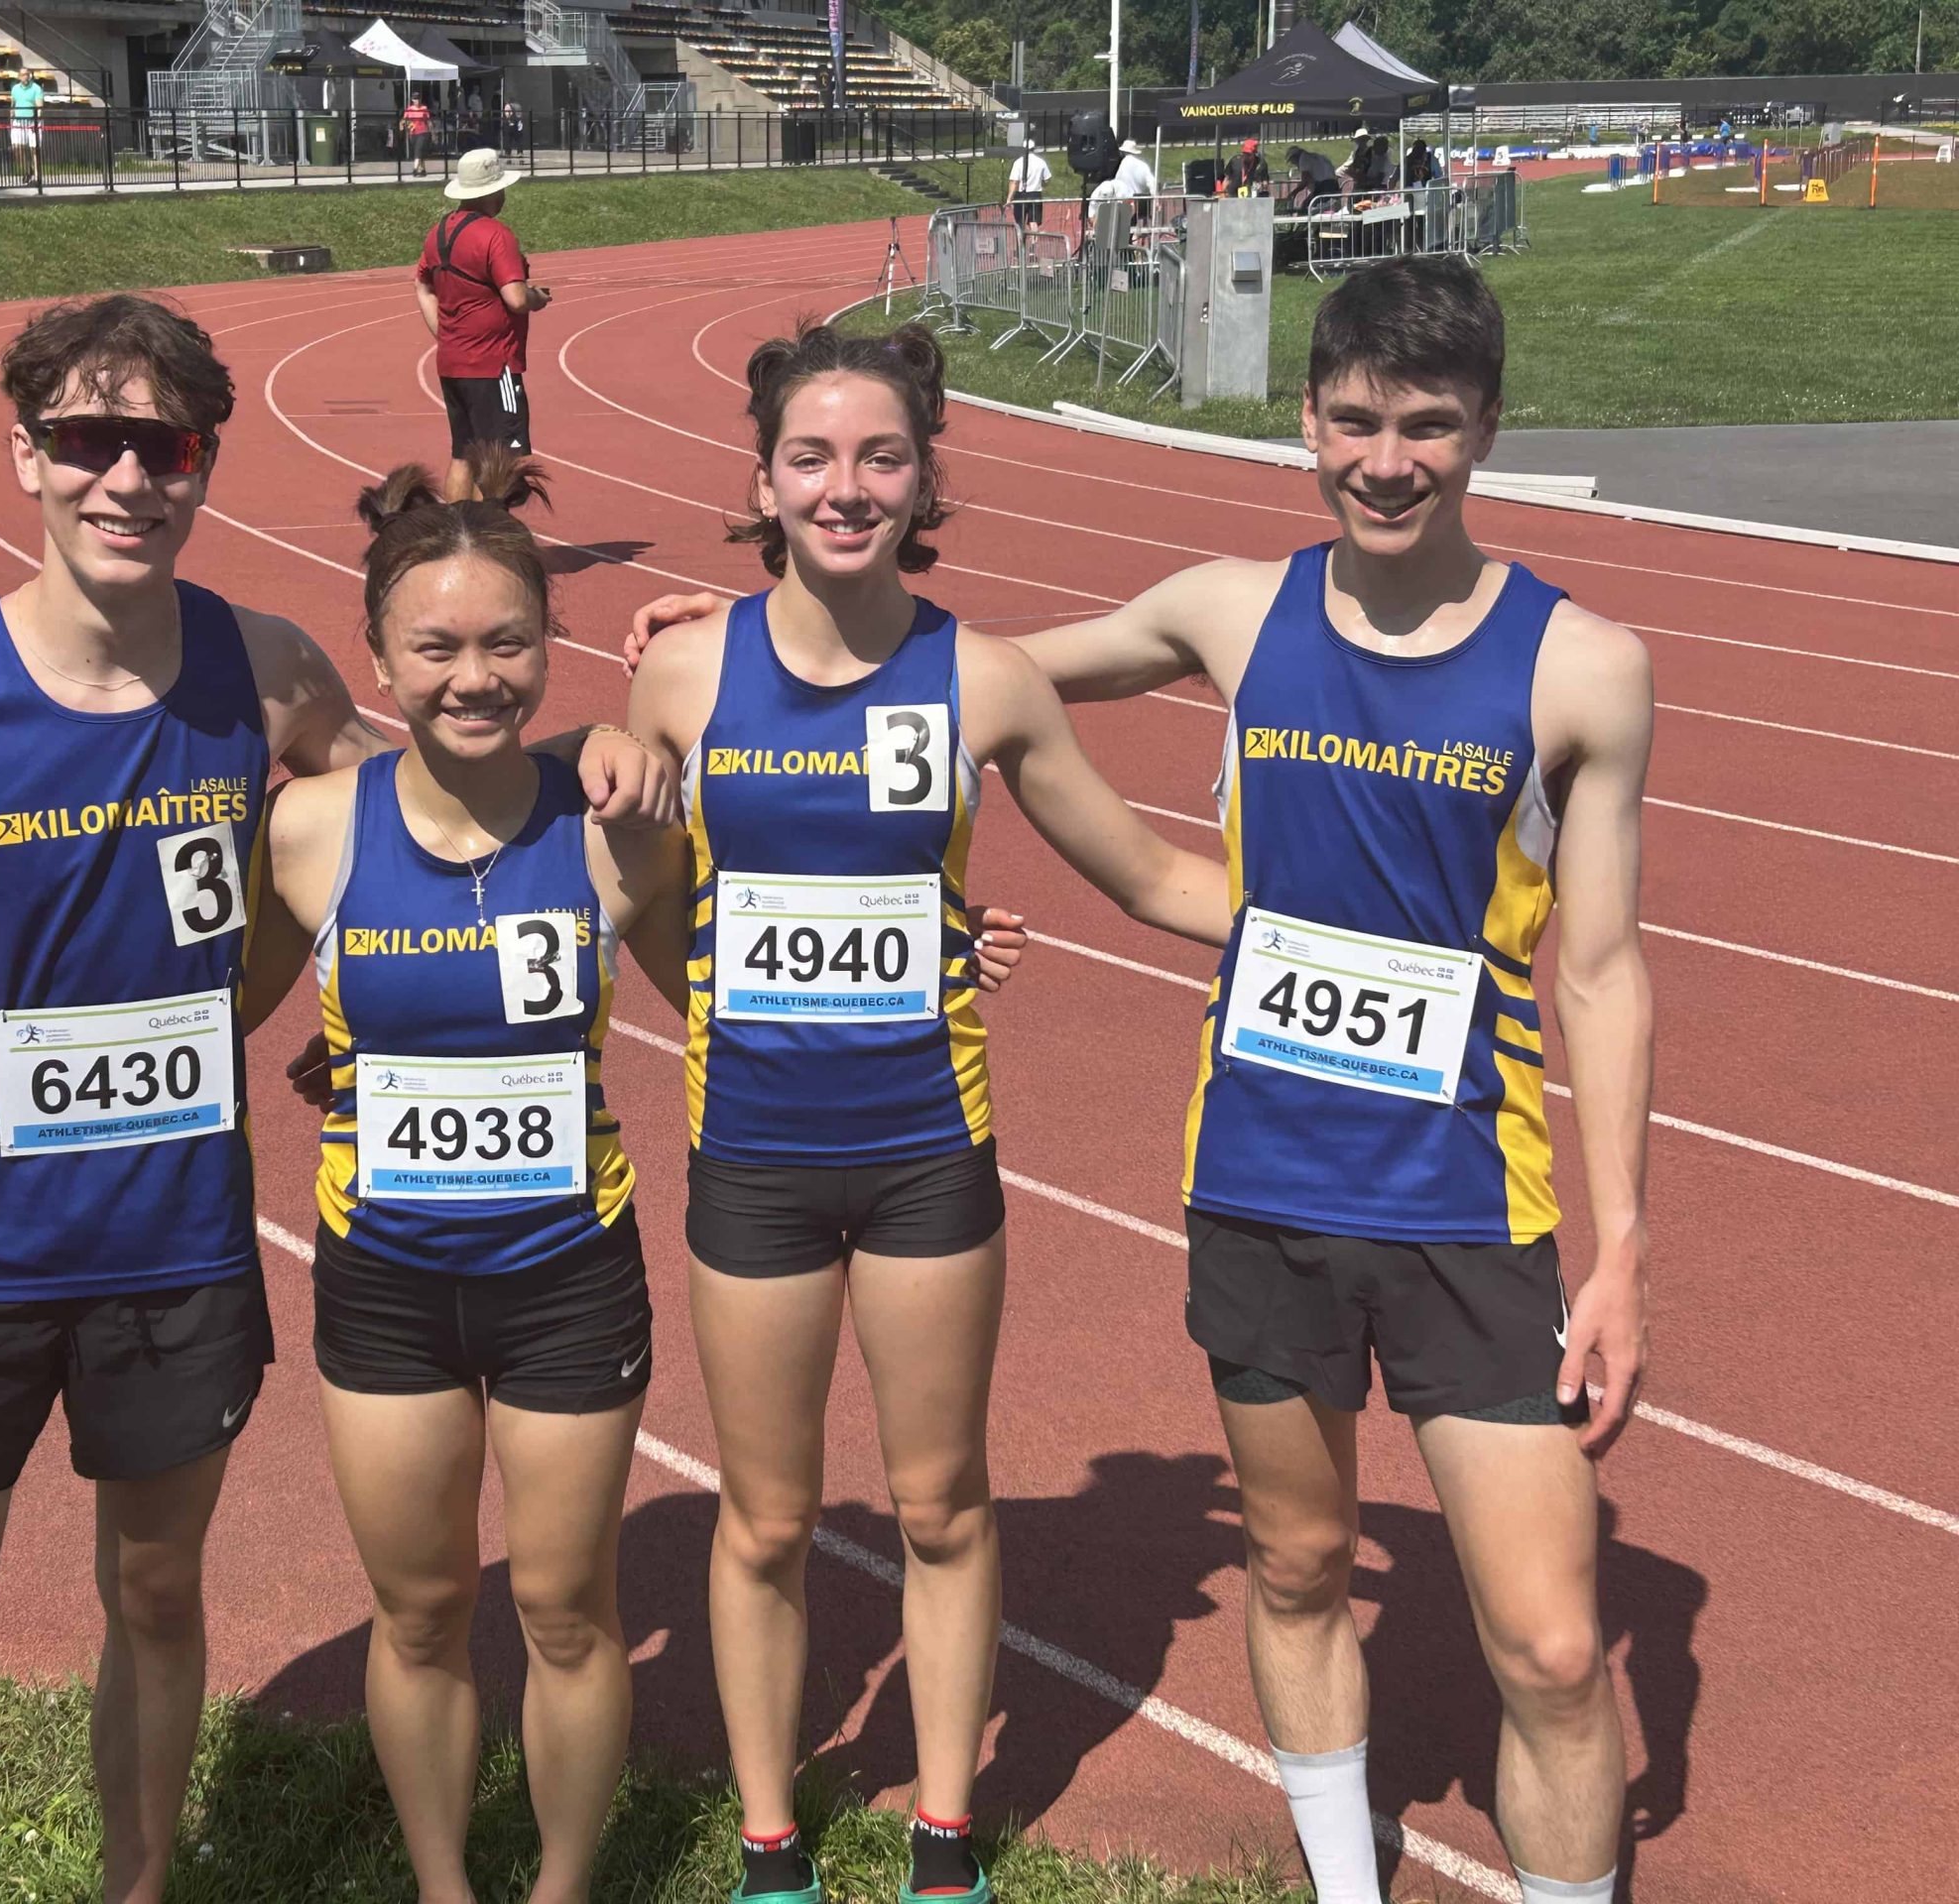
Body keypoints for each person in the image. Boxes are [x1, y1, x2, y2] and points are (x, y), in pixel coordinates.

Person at [630, 259, 1654, 1904]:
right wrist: (784, 633)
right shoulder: (1227, 608)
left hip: (1473, 1192)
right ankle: (1339, 1884)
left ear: (1484, 434)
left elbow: (1601, 968)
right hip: (1257, 1183)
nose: (1386, 459)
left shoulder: (1583, 667)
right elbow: (995, 672)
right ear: (1308, 420)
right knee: (1301, 1561)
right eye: (1355, 421)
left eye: (1429, 428)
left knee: (1546, 1638)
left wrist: (1625, 1245)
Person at [0, 294, 673, 1904]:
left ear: (201, 464)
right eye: (86, 441)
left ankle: (136, 1888)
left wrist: (590, 754)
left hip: (177, 1248)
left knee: (158, 1602)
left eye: (159, 444)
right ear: (23, 454)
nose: (124, 477)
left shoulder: (265, 669)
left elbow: (423, 793)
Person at [620, 320, 1233, 1904]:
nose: (847, 487)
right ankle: (771, 1848)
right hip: (749, 1156)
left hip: (922, 1159)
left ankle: (944, 1843)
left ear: (926, 476)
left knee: (941, 1502)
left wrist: (1372, 923)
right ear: (760, 482)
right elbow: (618, 869)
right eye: (812, 457)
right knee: (761, 1520)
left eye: (880, 456)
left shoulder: (986, 680)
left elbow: (1157, 873)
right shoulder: (681, 671)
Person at [250, 448, 688, 1904]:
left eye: (508, 642)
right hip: (385, 1283)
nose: (475, 675)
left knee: (568, 1608)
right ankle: (443, 1887)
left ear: (549, 648)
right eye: (435, 646)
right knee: (424, 1609)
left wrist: (946, 936)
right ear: (378, 655)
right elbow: (214, 1013)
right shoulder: (310, 835)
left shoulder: (610, 823)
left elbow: (728, 985)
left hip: (567, 1275)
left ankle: (561, 1888)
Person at [417, 147, 551, 504]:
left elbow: (422, 285)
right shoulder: (496, 236)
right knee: (498, 461)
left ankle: (458, 532)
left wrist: (443, 332)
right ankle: (487, 537)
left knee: (463, 454)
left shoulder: (438, 234)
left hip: (453, 360)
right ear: (493, 191)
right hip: (493, 363)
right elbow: (516, 298)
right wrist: (538, 297)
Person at [1084, 136, 1159, 256]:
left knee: (1113, 234)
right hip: (1133, 201)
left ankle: (1115, 255)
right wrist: (1156, 198)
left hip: (1123, 199)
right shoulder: (1142, 166)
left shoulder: (1123, 165)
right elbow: (1152, 182)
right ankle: (1126, 255)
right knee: (1127, 233)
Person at [7, 68, 46, 186]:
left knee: (34, 149)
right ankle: (27, 170)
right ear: (19, 77)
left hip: (32, 122)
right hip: (18, 122)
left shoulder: (36, 88)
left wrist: (36, 120)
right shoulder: (15, 89)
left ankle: (38, 177)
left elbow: (39, 107)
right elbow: (13, 105)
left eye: (27, 75)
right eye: (23, 75)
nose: (26, 77)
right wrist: (11, 119)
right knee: (16, 148)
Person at [1003, 137, 1050, 228]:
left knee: (1019, 222)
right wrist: (1042, 185)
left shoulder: (1018, 162)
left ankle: (1021, 241)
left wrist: (1009, 198)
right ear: (1034, 149)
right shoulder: (1041, 162)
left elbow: (1014, 182)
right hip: (1035, 194)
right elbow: (1047, 179)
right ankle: (1034, 241)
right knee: (1034, 221)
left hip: (1021, 195)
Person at [401, 93, 433, 176]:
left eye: (418, 99)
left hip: (423, 132)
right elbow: (404, 120)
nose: (417, 101)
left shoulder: (424, 108)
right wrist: (402, 125)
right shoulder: (409, 109)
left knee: (418, 150)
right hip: (413, 133)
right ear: (412, 100)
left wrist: (433, 132)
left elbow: (428, 121)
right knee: (419, 151)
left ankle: (415, 169)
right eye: (415, 99)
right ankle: (423, 170)